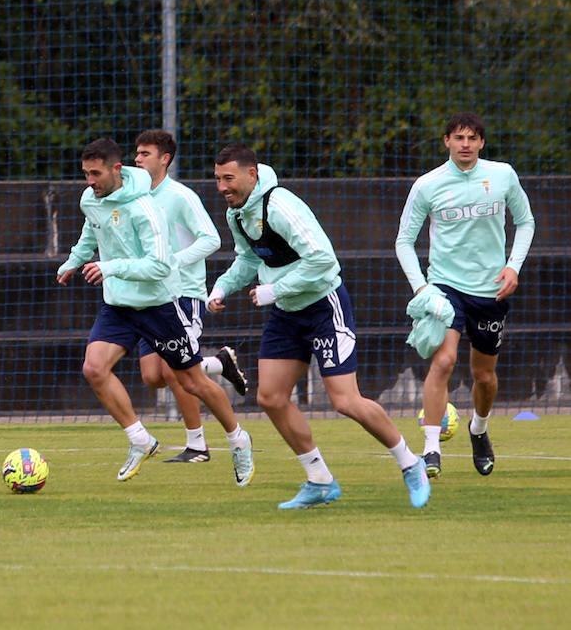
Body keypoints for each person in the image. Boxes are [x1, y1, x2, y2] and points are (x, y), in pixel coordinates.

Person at [208, 145, 430, 510]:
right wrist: (221, 287)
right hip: (286, 313)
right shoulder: (238, 214)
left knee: (345, 400)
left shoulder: (279, 206)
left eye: (228, 179)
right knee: (270, 397)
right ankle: (320, 480)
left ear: (252, 175)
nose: (222, 187)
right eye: (217, 179)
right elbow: (247, 259)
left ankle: (411, 462)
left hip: (325, 307)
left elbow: (324, 261)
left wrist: (275, 289)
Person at [57, 138, 255, 486]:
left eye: (96, 173)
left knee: (191, 380)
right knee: (94, 367)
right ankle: (140, 439)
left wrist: (111, 267)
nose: (90, 181)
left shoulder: (144, 208)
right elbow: (92, 230)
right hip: (118, 305)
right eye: (86, 173)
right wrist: (74, 261)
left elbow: (160, 266)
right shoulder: (91, 198)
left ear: (116, 170)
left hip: (156, 305)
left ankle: (239, 439)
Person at [394, 113, 535, 478]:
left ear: (482, 143)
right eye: (459, 138)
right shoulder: (428, 185)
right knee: (443, 361)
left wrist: (513, 266)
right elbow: (404, 241)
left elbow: (525, 221)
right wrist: (422, 288)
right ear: (447, 142)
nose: (466, 144)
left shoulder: (502, 175)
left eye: (473, 138)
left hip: (491, 290)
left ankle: (479, 430)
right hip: (444, 288)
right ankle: (430, 449)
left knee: (484, 376)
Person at [133, 129, 249, 463]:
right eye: (137, 154)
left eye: (145, 154)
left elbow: (211, 239)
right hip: (150, 296)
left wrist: (174, 263)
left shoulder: (180, 196)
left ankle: (197, 445)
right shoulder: (135, 198)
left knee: (174, 371)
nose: (137, 160)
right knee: (152, 377)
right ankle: (219, 363)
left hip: (183, 293)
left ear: (164, 159)